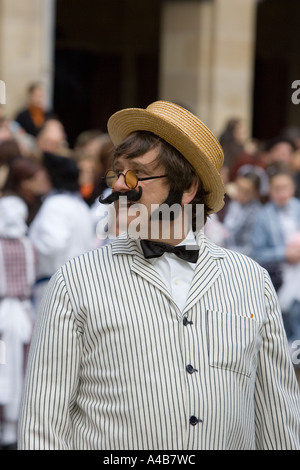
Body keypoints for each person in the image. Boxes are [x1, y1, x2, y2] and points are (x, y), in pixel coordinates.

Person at [18, 101, 300, 450]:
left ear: (188, 188)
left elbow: (277, 419)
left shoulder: (251, 282)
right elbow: (42, 425)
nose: (121, 185)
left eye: (136, 173)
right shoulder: (75, 281)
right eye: (117, 172)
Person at [27, 152, 95, 311]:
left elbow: (52, 244)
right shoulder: (79, 205)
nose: (39, 176)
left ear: (51, 176)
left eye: (42, 172)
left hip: (53, 289)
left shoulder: (55, 205)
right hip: (75, 288)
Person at [0, 196, 36, 449]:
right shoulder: (27, 244)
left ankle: (9, 427)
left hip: (7, 317)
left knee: (5, 366)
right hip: (23, 315)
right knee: (18, 368)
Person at [252, 163, 300, 346]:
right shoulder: (264, 216)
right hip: (279, 274)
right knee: (289, 313)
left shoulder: (298, 208)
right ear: (270, 190)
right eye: (276, 188)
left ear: (293, 188)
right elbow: (257, 252)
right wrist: (283, 254)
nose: (281, 193)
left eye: (285, 188)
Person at [223, 171, 262, 256]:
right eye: (239, 189)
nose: (241, 194)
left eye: (246, 192)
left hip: (241, 257)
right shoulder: (233, 204)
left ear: (256, 194)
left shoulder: (257, 214)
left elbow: (252, 248)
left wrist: (225, 252)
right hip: (225, 249)